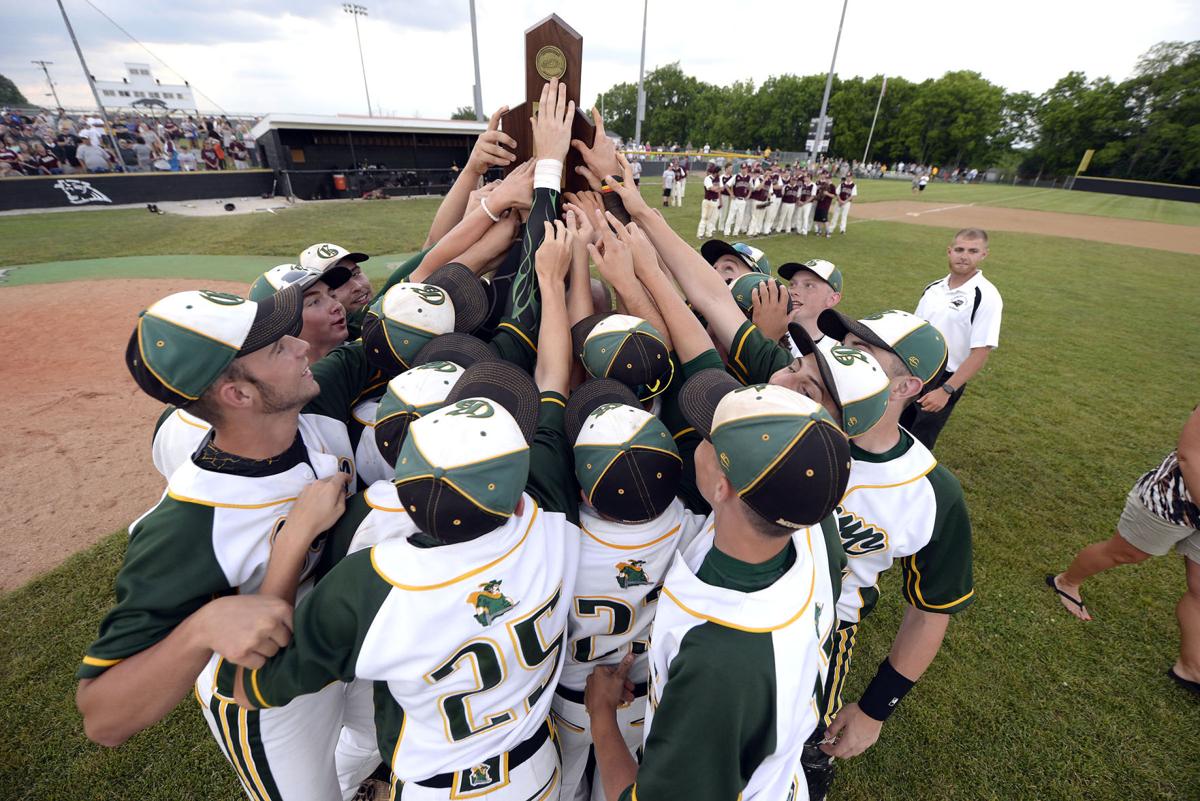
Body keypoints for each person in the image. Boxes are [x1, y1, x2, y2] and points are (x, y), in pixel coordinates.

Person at [76, 282, 384, 799]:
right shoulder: (189, 526)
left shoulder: (305, 414)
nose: (302, 346)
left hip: (335, 643)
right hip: (266, 703)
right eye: (277, 347)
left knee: (379, 737)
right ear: (237, 394)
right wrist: (201, 629)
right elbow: (103, 719)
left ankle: (352, 780)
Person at [585, 369, 851, 801]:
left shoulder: (722, 660)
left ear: (722, 486)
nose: (700, 442)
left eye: (710, 439)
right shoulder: (813, 525)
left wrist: (600, 715)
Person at [798, 308, 972, 800]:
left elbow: (930, 610)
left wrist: (876, 709)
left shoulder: (931, 491)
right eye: (844, 342)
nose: (840, 356)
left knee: (797, 754)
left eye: (864, 352)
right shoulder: (790, 415)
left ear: (905, 388)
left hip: (823, 635)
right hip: (725, 603)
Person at [1047, 404, 1200, 695]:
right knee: (1125, 553)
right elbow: (1189, 455)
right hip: (1174, 502)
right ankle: (1066, 581)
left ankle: (1191, 668)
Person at [905, 228, 1002, 450]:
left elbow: (981, 352)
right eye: (959, 249)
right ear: (949, 251)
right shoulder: (933, 288)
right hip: (913, 372)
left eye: (972, 251)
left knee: (918, 445)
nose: (964, 256)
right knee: (893, 432)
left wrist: (947, 390)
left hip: (945, 380)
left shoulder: (986, 296)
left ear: (983, 255)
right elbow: (914, 331)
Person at [722, 162, 751, 237]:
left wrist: (748, 195)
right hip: (735, 200)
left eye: (745, 168)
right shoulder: (736, 176)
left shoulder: (749, 178)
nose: (744, 170)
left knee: (740, 217)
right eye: (742, 168)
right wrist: (731, 194)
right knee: (731, 216)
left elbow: (751, 187)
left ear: (747, 169)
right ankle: (726, 232)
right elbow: (727, 185)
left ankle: (735, 232)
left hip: (743, 200)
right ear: (740, 169)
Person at [697, 163, 721, 239]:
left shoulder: (718, 178)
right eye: (719, 172)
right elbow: (711, 188)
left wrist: (718, 189)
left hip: (715, 201)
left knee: (712, 218)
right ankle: (700, 234)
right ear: (716, 172)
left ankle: (708, 233)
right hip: (708, 201)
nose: (720, 173)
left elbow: (719, 188)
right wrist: (718, 188)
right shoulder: (708, 178)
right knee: (704, 218)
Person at [812, 172, 837, 238]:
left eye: (828, 178)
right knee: (818, 219)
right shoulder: (824, 185)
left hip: (825, 205)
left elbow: (833, 196)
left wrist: (827, 193)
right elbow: (819, 193)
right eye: (826, 178)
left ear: (831, 178)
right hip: (819, 203)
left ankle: (828, 232)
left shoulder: (832, 186)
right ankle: (819, 231)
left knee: (824, 219)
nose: (827, 179)